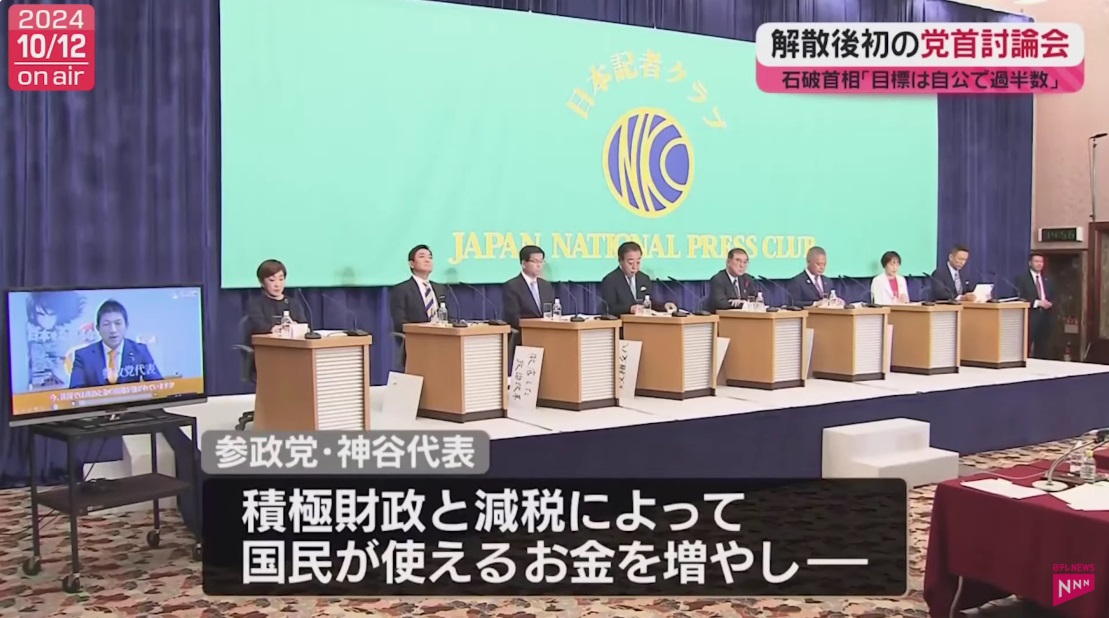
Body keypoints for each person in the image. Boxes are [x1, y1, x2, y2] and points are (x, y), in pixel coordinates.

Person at [69, 300, 163, 388]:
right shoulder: (83, 356)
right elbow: (75, 393)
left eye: (118, 323)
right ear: (98, 328)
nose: (113, 330)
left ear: (126, 325)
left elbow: (158, 386)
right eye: (106, 324)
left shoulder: (140, 351)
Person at [244, 259, 310, 340]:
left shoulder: (293, 303)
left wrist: (297, 327)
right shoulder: (255, 304)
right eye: (272, 280)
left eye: (281, 279)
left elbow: (304, 326)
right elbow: (260, 326)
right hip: (266, 345)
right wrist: (274, 329)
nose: (277, 284)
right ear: (261, 282)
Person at [389, 245, 447, 333]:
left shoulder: (440, 289)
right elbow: (399, 323)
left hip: (443, 336)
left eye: (430, 257)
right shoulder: (401, 289)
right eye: (422, 256)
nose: (427, 260)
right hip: (417, 337)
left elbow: (450, 318)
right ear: (411, 264)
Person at [502, 245, 555, 330]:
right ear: (523, 264)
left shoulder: (546, 286)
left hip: (548, 332)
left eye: (541, 261)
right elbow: (513, 318)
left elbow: (552, 312)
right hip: (525, 333)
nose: (539, 265)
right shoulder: (512, 286)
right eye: (535, 261)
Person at [1015, 252, 1055, 359]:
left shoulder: (1048, 279)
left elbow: (1054, 295)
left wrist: (1050, 303)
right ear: (1030, 263)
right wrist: (1037, 303)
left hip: (1045, 317)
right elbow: (1019, 297)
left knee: (1043, 347)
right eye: (1036, 261)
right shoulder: (1022, 279)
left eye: (1041, 262)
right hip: (1030, 317)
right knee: (1026, 346)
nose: (1039, 264)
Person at [600, 241, 655, 315]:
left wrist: (664, 306)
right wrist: (630, 309)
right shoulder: (610, 280)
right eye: (630, 263)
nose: (635, 267)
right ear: (620, 261)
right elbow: (609, 308)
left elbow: (649, 302)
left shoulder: (644, 278)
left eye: (638, 262)